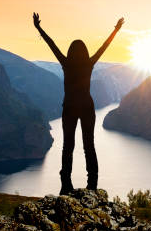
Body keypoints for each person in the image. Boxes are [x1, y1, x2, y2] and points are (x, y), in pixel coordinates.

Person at [33, 12, 124, 194]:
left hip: (69, 107)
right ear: (85, 53)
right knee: (89, 145)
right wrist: (116, 30)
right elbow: (104, 46)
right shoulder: (89, 63)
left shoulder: (66, 63)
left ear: (70, 52)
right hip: (87, 107)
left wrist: (39, 28)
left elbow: (52, 45)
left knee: (68, 146)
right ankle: (92, 185)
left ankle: (65, 184)